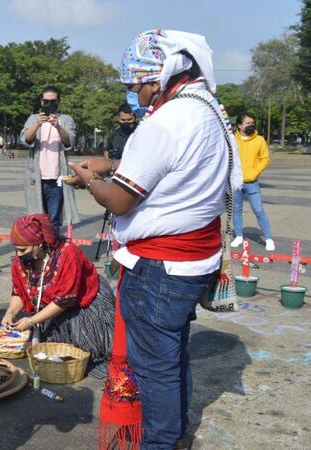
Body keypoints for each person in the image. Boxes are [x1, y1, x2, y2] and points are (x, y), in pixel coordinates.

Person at [68, 29, 243, 448]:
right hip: (193, 259)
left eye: (135, 83)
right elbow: (172, 171)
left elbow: (121, 201)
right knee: (172, 354)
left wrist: (92, 179)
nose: (133, 92)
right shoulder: (205, 109)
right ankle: (174, 433)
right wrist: (112, 164)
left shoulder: (166, 121)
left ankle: (159, 442)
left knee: (153, 366)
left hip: (160, 267)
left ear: (158, 76)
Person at [0, 214, 115, 378]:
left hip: (83, 304)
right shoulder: (21, 262)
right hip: (52, 306)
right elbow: (20, 291)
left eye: (23, 250)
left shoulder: (68, 254)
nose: (18, 255)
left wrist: (32, 321)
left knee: (82, 353)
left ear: (39, 244)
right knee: (51, 352)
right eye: (16, 249)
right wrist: (10, 313)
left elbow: (64, 300)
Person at [20, 85, 79, 230]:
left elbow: (70, 142)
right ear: (41, 101)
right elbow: (25, 139)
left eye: (52, 101)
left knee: (54, 222)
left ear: (58, 102)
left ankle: (54, 251)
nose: (49, 104)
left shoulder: (66, 120)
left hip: (58, 179)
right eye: (46, 101)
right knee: (37, 221)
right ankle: (41, 251)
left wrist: (58, 127)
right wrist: (37, 125)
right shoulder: (33, 118)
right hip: (36, 178)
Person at [231, 112, 274, 251]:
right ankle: (238, 235)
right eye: (248, 123)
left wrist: (254, 172)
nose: (251, 125)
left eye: (252, 123)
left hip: (252, 182)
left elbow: (265, 158)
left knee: (258, 209)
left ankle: (268, 238)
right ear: (240, 125)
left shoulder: (259, 140)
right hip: (236, 182)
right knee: (237, 210)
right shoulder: (232, 139)